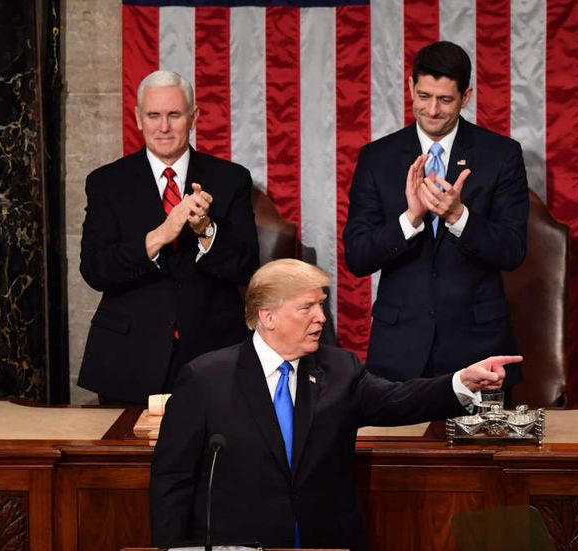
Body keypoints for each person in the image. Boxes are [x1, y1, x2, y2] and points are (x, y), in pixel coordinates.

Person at [150, 259, 521, 550]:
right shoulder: (205, 378)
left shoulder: (339, 369)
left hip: (325, 542)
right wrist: (169, 550)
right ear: (268, 316)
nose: (321, 318)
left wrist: (461, 381)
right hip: (242, 544)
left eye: (321, 306)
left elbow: (399, 400)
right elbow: (173, 479)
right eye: (307, 307)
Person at [343, 41, 529, 389]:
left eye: (445, 100)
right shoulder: (377, 157)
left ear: (466, 96)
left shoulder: (500, 155)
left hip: (477, 345)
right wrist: (410, 219)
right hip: (399, 350)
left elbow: (513, 250)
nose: (432, 110)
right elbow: (358, 256)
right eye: (424, 96)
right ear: (410, 86)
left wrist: (459, 216)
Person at [78, 70, 259, 405]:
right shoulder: (106, 182)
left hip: (213, 353)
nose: (163, 127)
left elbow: (246, 266)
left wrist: (205, 229)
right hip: (129, 356)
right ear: (138, 118)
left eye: (174, 115)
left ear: (194, 117)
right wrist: (159, 236)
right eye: (154, 116)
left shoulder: (231, 178)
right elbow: (95, 269)